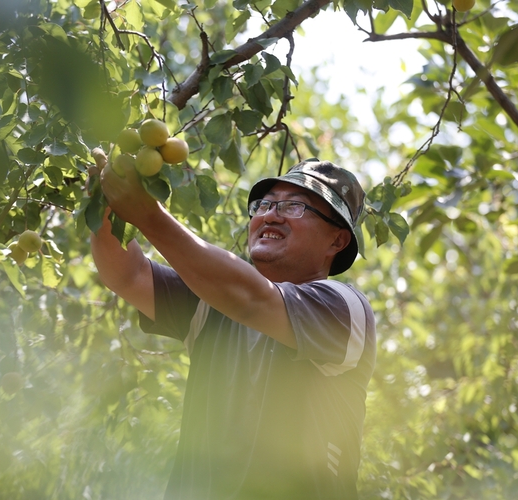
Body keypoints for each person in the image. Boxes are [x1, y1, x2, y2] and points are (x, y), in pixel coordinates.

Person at [91, 157, 376, 500]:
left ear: (337, 241)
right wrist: (105, 203)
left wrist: (147, 214)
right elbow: (128, 274)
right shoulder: (211, 304)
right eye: (265, 204)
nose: (271, 215)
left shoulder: (343, 308)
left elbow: (251, 299)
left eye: (294, 207)